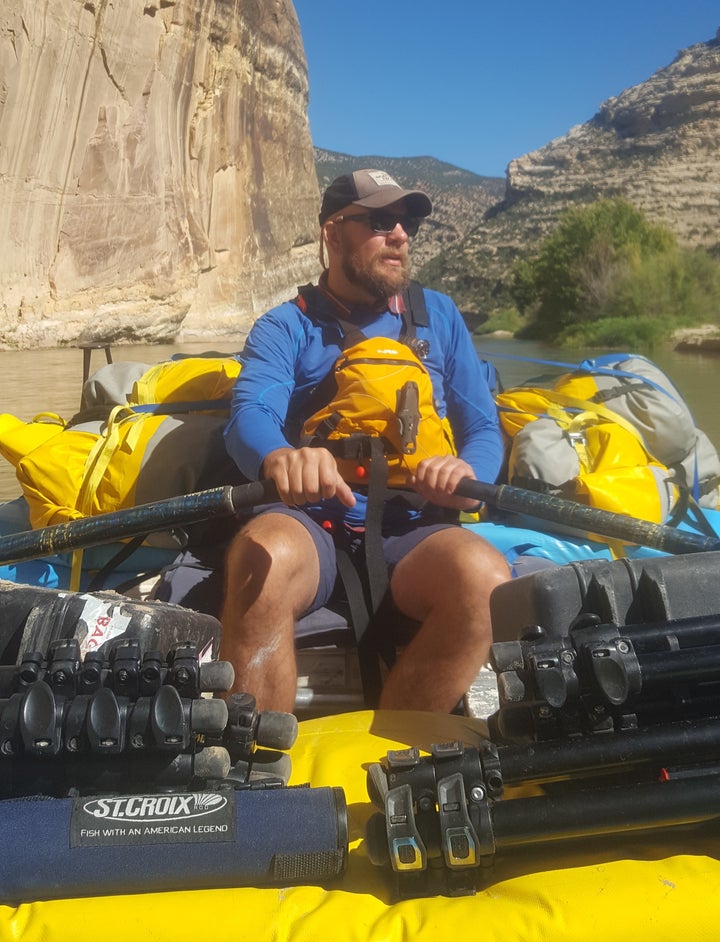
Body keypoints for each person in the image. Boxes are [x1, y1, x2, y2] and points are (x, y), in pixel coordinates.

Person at [220, 168, 511, 713]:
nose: (399, 234)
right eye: (380, 221)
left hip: (413, 526)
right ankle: (254, 774)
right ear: (333, 233)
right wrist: (280, 456)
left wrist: (469, 480)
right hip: (311, 520)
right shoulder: (286, 326)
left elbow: (481, 429)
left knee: (486, 580)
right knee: (265, 557)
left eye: (406, 223)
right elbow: (249, 415)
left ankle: (397, 759)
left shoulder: (439, 316)